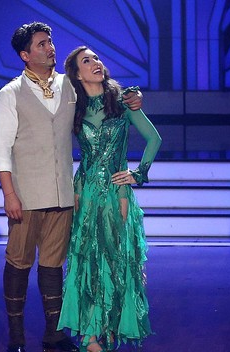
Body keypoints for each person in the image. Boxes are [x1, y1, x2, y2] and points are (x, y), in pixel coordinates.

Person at [0, 23, 142, 352]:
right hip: (26, 195)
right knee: (19, 262)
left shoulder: (68, 86)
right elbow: (0, 151)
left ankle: (53, 334)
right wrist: (9, 195)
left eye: (51, 42)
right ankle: (16, 337)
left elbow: (103, 92)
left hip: (62, 195)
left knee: (53, 265)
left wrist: (133, 95)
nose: (51, 48)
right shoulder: (10, 94)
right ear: (25, 55)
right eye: (42, 44)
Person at [56, 46, 161, 352]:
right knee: (87, 260)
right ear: (76, 73)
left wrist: (137, 174)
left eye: (97, 58)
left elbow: (154, 138)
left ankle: (111, 326)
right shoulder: (73, 106)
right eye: (86, 61)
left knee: (116, 261)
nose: (95, 63)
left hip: (118, 193)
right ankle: (90, 333)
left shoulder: (124, 102)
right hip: (85, 193)